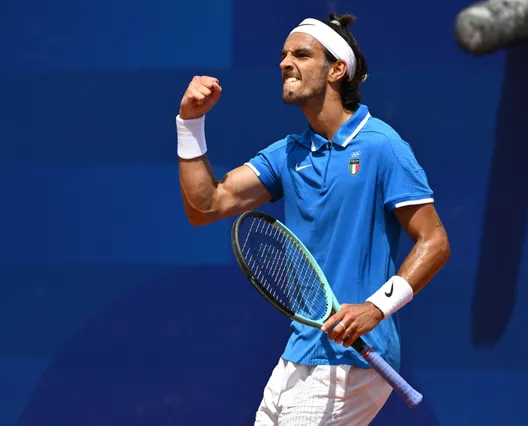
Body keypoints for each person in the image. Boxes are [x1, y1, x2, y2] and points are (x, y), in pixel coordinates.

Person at [176, 13, 451, 426]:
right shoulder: (289, 153)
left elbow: (435, 241)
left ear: (337, 70)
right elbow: (206, 206)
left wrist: (375, 308)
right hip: (298, 354)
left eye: (302, 55)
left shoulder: (381, 145)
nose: (286, 63)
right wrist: (189, 123)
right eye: (284, 55)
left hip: (354, 360)